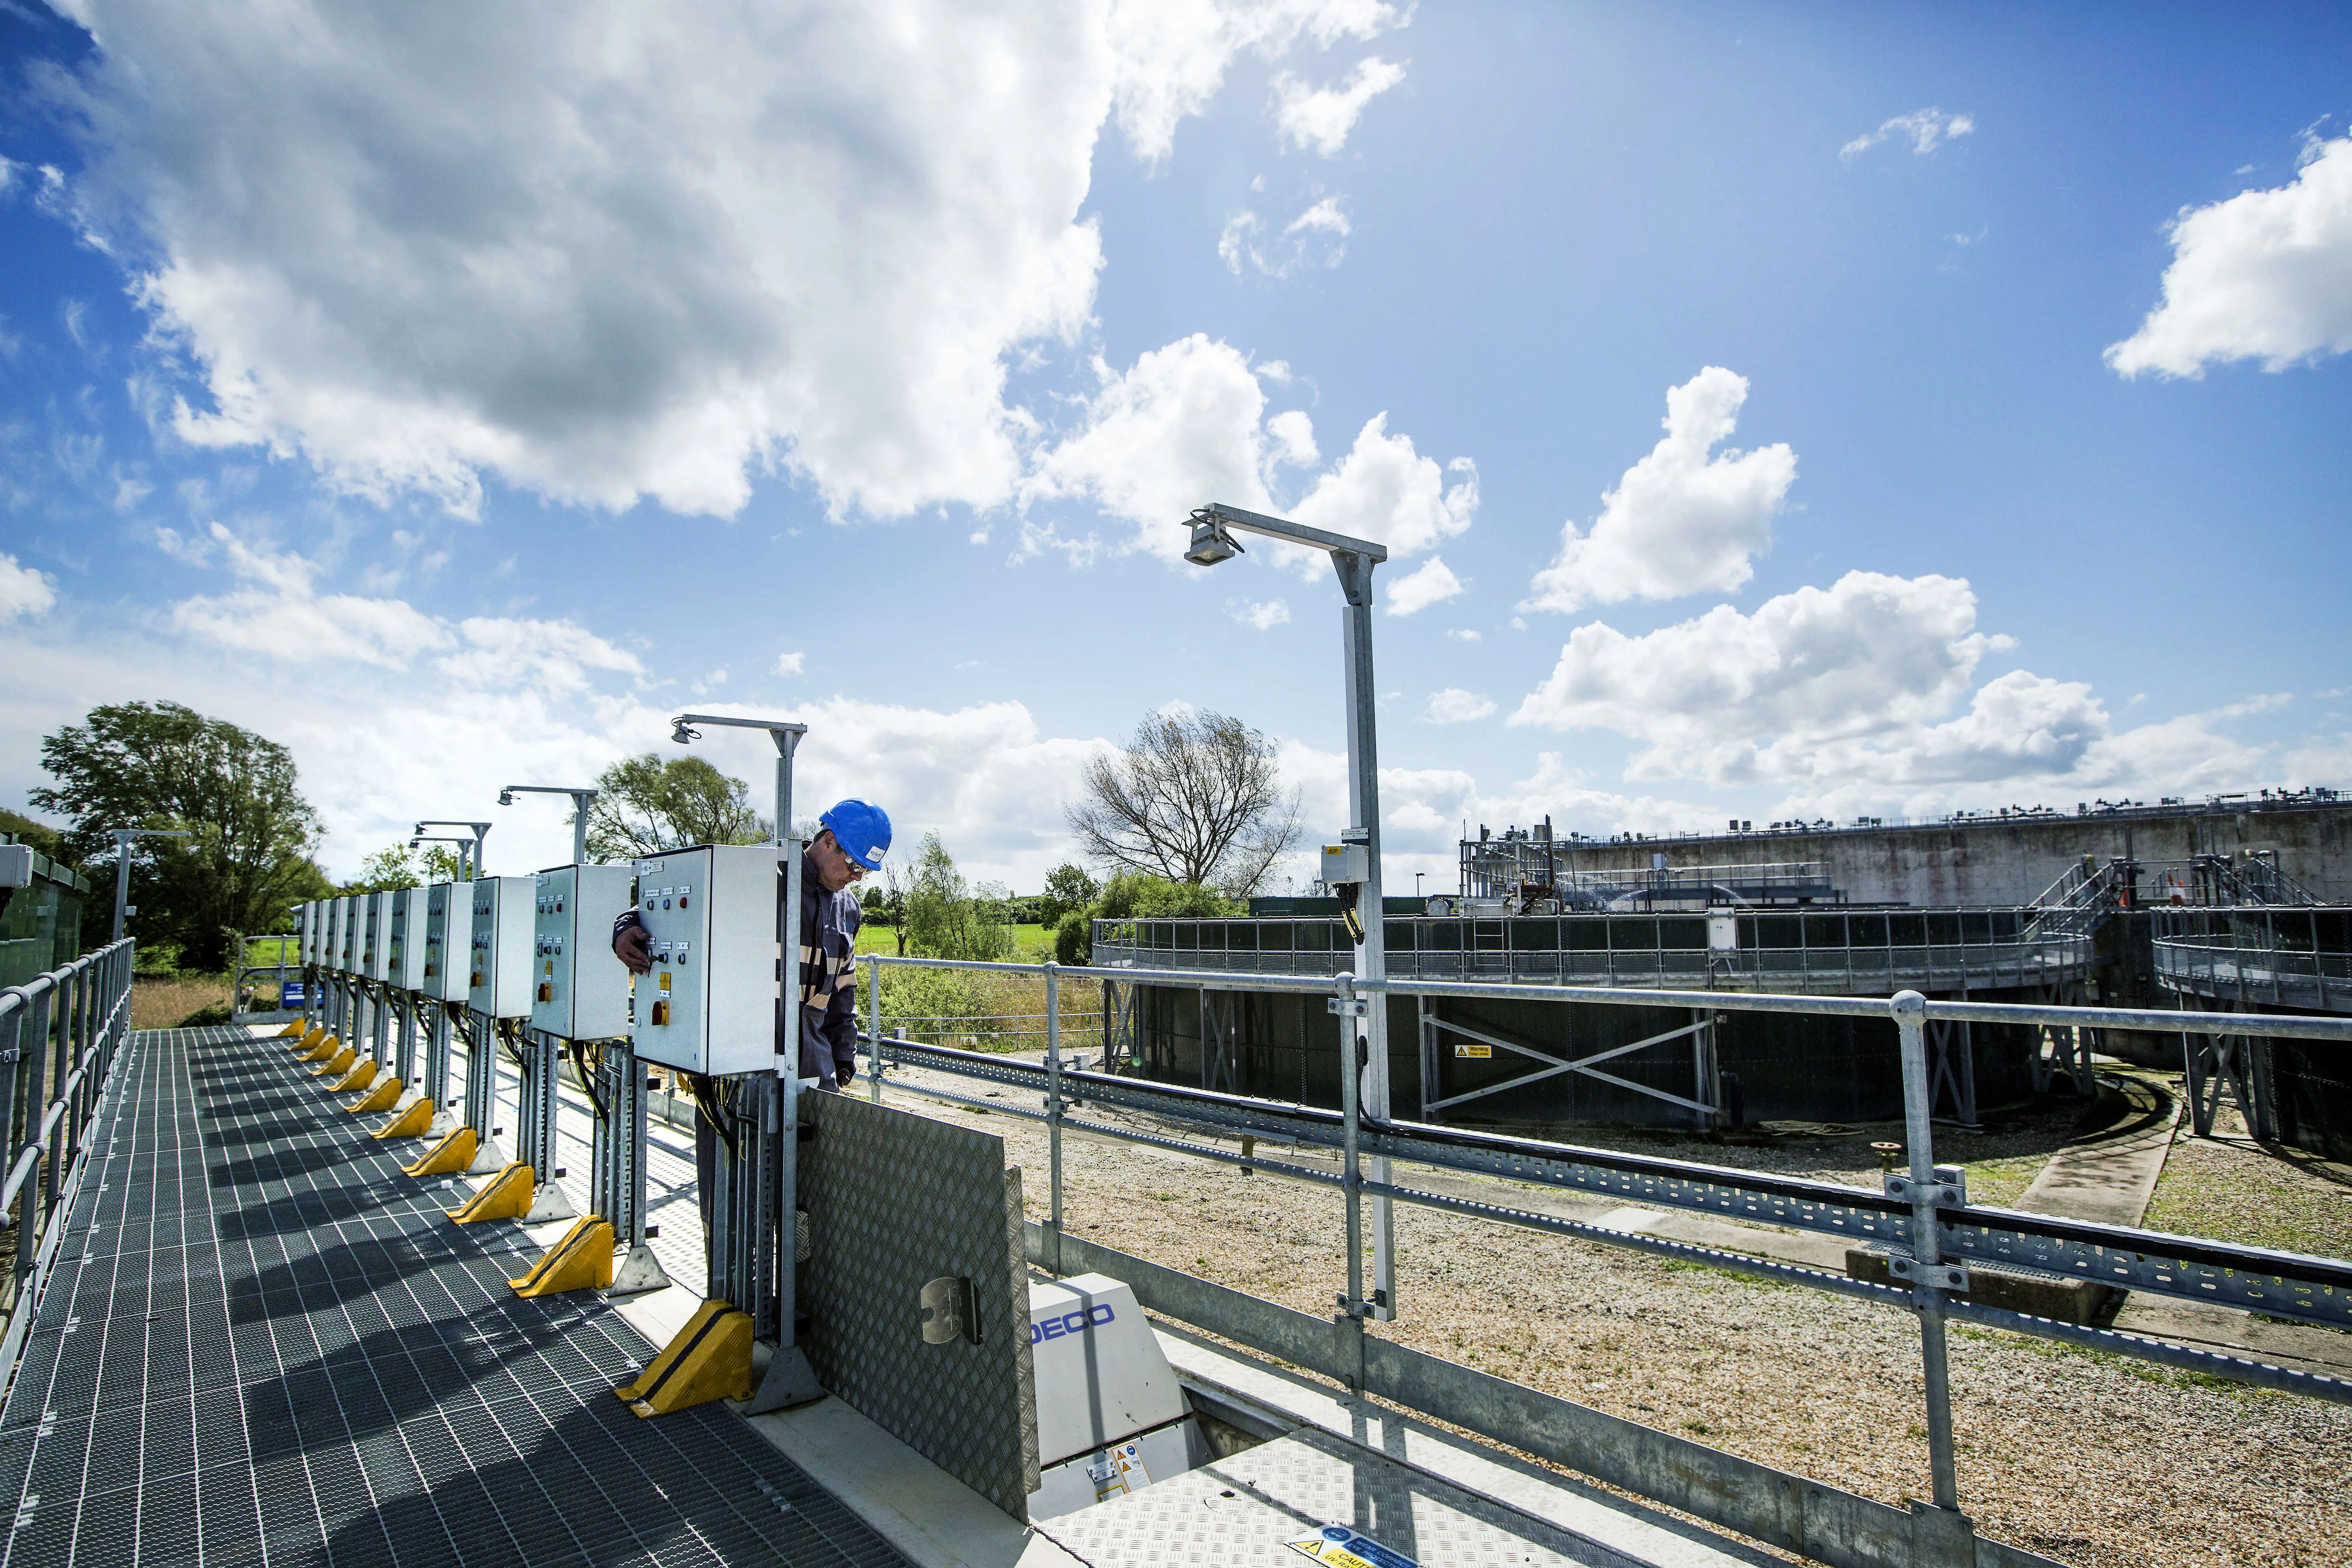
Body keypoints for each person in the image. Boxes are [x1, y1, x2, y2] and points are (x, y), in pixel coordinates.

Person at [610, 800, 891, 1261]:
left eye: (864, 873)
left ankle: (795, 1306)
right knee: (733, 1195)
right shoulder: (758, 878)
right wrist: (626, 927)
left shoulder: (848, 909)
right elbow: (671, 905)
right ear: (827, 842)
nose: (855, 877)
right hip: (740, 1070)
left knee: (808, 1199)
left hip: (809, 1071)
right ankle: (735, 1302)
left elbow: (843, 991)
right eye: (853, 866)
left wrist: (843, 1055)